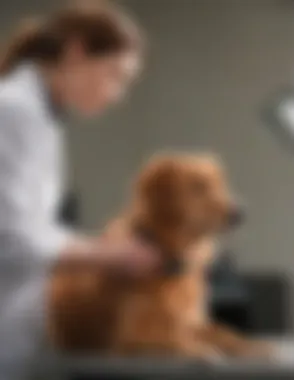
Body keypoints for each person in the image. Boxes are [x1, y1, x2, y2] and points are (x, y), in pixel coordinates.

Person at [0, 1, 158, 379]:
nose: (116, 94)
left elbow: (30, 228)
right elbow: (11, 238)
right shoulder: (14, 111)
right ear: (76, 52)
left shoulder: (42, 117)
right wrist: (107, 256)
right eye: (114, 75)